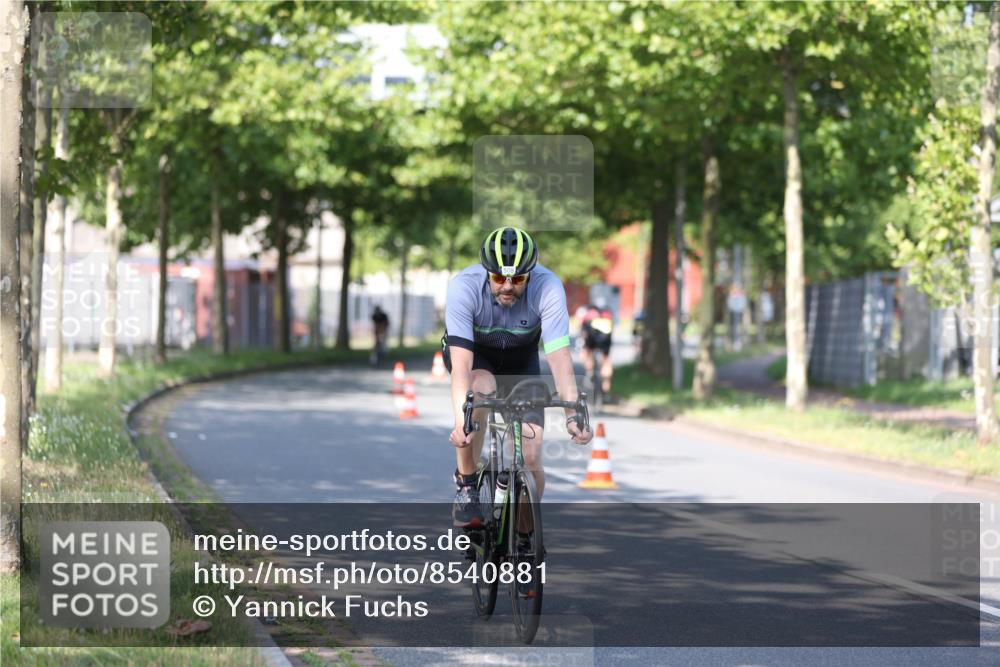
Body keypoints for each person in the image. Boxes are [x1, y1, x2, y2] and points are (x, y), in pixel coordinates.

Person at [443, 226, 593, 527]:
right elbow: (461, 367)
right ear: (487, 273)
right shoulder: (464, 286)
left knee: (532, 453)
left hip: (520, 361)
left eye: (518, 279)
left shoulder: (548, 287)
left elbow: (559, 357)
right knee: (482, 386)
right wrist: (462, 423)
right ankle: (467, 484)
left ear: (530, 274)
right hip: (476, 357)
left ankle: (525, 537)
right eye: (499, 278)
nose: (508, 287)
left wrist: (572, 415)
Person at [580, 297, 615, 397]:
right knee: (606, 359)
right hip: (606, 337)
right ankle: (606, 387)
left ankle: (589, 373)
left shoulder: (589, 313)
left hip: (591, 337)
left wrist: (583, 346)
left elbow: (583, 332)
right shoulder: (608, 314)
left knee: (588, 353)